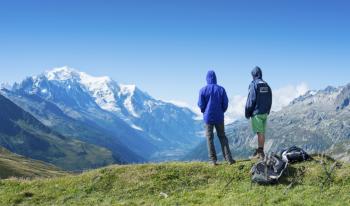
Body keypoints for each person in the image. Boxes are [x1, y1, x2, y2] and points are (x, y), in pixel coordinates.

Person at [198, 70, 235, 166]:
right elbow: (225, 103)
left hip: (208, 117)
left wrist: (204, 111)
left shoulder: (202, 90)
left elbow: (201, 104)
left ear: (207, 78)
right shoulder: (221, 89)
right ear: (215, 78)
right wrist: (221, 111)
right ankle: (229, 159)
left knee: (209, 138)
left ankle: (213, 160)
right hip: (219, 117)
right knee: (222, 136)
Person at [245, 66, 272, 159]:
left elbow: (251, 100)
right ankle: (260, 151)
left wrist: (247, 112)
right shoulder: (266, 84)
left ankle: (260, 153)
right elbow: (270, 98)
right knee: (262, 132)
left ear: (253, 75)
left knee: (259, 133)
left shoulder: (254, 84)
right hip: (265, 113)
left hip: (257, 113)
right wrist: (268, 110)